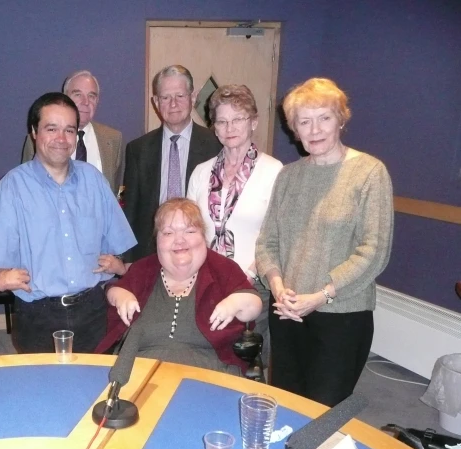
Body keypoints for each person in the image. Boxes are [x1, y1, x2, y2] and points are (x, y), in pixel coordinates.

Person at [255, 77, 394, 407]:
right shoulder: (288, 176)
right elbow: (266, 243)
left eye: (324, 118)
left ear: (341, 120)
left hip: (341, 314)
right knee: (288, 404)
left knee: (323, 411)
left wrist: (321, 295)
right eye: (304, 121)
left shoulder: (369, 172)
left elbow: (374, 251)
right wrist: (277, 287)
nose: (314, 129)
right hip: (288, 311)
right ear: (294, 129)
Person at [0, 92, 136, 354]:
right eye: (51, 129)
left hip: (92, 312)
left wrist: (117, 265)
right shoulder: (12, 187)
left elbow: (119, 244)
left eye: (69, 130)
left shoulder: (93, 181)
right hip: (38, 316)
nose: (61, 139)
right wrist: (2, 275)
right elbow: (1, 273)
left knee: (95, 388)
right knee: (44, 391)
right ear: (34, 132)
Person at [96, 198, 262, 374]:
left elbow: (253, 306)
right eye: (168, 233)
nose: (179, 240)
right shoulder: (143, 269)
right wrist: (121, 295)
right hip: (141, 375)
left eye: (190, 231)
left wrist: (235, 302)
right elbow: (113, 291)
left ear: (203, 236)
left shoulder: (223, 269)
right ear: (157, 240)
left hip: (210, 377)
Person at [187, 84, 282, 369]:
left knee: (247, 363)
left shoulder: (274, 171)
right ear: (214, 127)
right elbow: (191, 230)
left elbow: (277, 236)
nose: (230, 127)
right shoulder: (201, 172)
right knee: (207, 357)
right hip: (206, 281)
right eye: (222, 120)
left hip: (253, 284)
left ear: (253, 122)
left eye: (238, 119)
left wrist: (248, 274)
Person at [123, 65, 222, 262]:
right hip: (150, 254)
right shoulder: (138, 150)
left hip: (199, 252)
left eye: (180, 96)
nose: (173, 104)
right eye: (166, 97)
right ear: (156, 102)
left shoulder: (216, 145)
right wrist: (128, 261)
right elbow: (130, 213)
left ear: (193, 98)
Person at [21, 70, 124, 194]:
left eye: (92, 96)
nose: (85, 102)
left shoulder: (113, 139)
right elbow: (27, 186)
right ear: (65, 98)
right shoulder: (39, 139)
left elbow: (113, 190)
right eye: (78, 94)